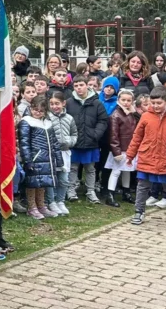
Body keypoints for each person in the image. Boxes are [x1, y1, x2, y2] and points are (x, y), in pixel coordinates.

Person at [126, 87, 166, 229]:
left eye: (159, 103)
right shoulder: (145, 116)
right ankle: (139, 212)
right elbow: (137, 137)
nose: (155, 106)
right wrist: (130, 155)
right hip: (147, 156)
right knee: (142, 186)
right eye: (153, 103)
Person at [65, 75, 110, 204]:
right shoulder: (69, 103)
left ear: (87, 86)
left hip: (91, 142)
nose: (79, 88)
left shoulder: (97, 103)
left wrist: (96, 134)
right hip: (74, 142)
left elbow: (103, 120)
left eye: (81, 85)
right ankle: (71, 190)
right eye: (76, 86)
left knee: (90, 168)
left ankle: (91, 191)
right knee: (73, 167)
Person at [18, 95, 62, 220]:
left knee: (42, 183)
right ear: (30, 107)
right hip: (34, 158)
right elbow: (24, 143)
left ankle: (41, 205)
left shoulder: (48, 123)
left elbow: (54, 142)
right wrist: (27, 160)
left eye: (41, 110)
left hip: (46, 158)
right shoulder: (26, 122)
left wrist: (58, 158)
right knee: (32, 183)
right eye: (35, 109)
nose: (37, 112)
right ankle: (32, 207)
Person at [105, 89, 138, 207]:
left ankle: (126, 192)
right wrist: (116, 152)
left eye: (129, 100)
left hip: (130, 147)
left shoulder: (132, 114)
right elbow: (113, 135)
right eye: (123, 100)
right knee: (116, 171)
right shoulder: (116, 115)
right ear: (118, 100)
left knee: (127, 171)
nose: (126, 102)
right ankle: (110, 195)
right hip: (120, 149)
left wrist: (135, 112)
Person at [48, 91, 77, 215]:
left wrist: (70, 142)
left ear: (63, 103)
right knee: (52, 178)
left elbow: (74, 133)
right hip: (51, 153)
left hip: (64, 152)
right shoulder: (47, 118)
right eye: (52, 104)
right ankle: (51, 201)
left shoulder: (69, 118)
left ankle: (61, 201)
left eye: (57, 103)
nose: (54, 106)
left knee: (64, 179)